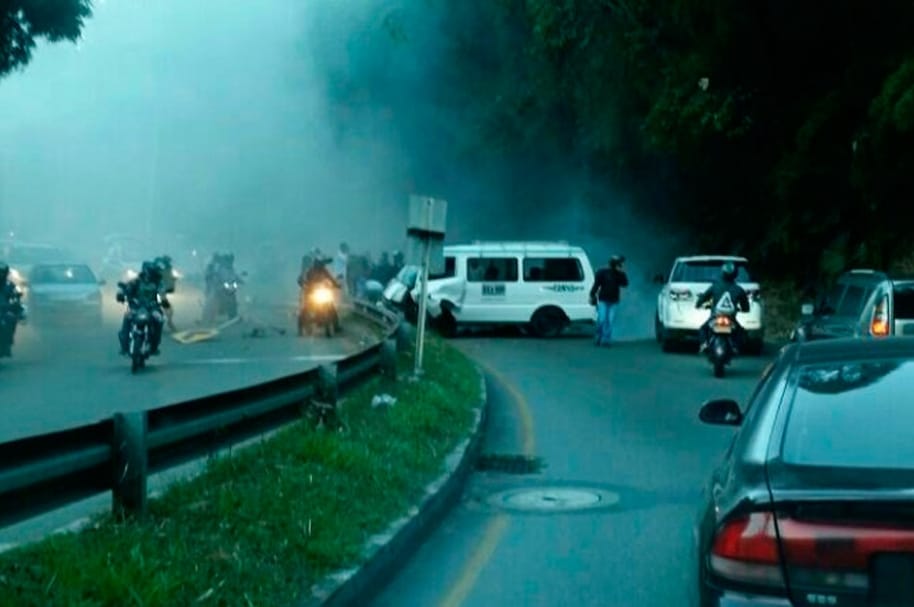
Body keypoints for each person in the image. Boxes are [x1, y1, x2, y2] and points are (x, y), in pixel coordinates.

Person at [694, 262, 751, 352]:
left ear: (722, 273)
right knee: (740, 331)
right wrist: (742, 309)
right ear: (735, 275)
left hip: (716, 315)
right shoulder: (739, 289)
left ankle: (704, 343)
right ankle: (735, 346)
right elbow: (746, 307)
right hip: (731, 317)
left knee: (703, 328)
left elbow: (703, 298)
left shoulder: (715, 286)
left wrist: (699, 304)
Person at [117, 261, 169, 356]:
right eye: (147, 272)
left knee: (159, 319)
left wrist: (164, 301)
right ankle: (124, 344)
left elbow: (162, 293)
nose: (148, 275)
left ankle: (154, 344)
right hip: (137, 307)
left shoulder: (158, 283)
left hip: (152, 307)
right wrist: (121, 294)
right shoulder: (136, 281)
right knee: (128, 317)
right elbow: (126, 288)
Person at [589, 255, 629, 346]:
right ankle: (599, 336)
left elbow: (625, 284)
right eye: (620, 264)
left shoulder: (619, 274)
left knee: (609, 320)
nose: (621, 266)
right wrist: (592, 294)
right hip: (603, 300)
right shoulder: (602, 273)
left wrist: (622, 273)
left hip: (613, 301)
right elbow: (596, 285)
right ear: (616, 264)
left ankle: (606, 339)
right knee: (602, 319)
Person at [0, 262, 25, 358]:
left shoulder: (9, 285)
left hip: (4, 310)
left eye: (1, 273)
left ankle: (7, 342)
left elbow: (16, 296)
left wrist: (16, 303)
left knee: (11, 319)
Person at [154, 255, 178, 332]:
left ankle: (169, 322)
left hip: (161, 292)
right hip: (155, 292)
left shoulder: (168, 268)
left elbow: (169, 281)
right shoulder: (160, 268)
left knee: (168, 309)